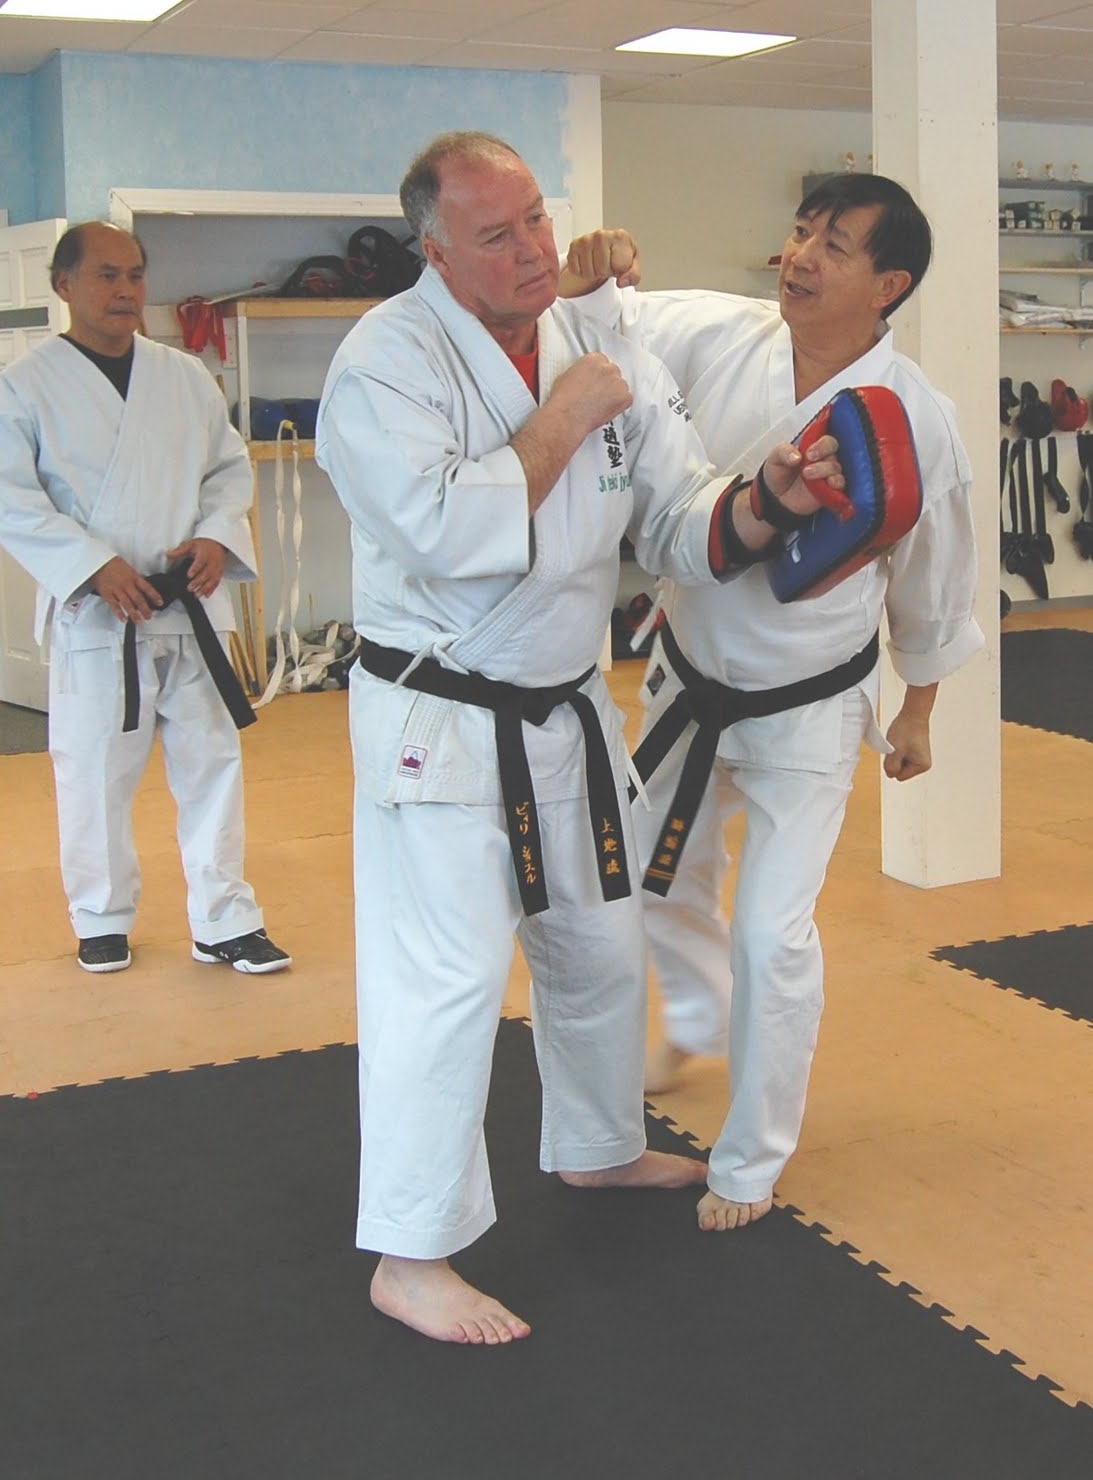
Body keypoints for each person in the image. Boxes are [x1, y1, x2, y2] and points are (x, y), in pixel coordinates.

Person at [315, 131, 846, 1346]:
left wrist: (770, 497)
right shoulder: (381, 365)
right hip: (441, 722)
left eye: (538, 220)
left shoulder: (601, 344)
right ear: (434, 248)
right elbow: (451, 533)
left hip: (565, 708)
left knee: (599, 947)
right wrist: (564, 412)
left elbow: (676, 514)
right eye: (496, 235)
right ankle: (411, 1251)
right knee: (442, 988)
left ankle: (598, 1148)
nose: (533, 251)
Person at [562, 172, 983, 1233]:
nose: (797, 256)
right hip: (687, 678)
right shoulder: (723, 330)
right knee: (646, 887)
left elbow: (934, 581)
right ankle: (698, 1019)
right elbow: (604, 321)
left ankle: (749, 1158)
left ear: (886, 284)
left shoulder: (915, 420)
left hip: (808, 705)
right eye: (800, 233)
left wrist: (917, 708)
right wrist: (597, 271)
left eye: (832, 246)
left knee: (772, 936)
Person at [0, 221, 290, 977]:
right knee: (94, 770)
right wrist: (94, 567)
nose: (125, 290)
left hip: (189, 603)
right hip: (99, 614)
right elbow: (13, 500)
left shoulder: (184, 375)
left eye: (134, 275)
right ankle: (100, 916)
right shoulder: (23, 385)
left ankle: (224, 920)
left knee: (213, 766)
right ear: (64, 286)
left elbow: (228, 471)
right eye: (106, 275)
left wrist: (218, 537)